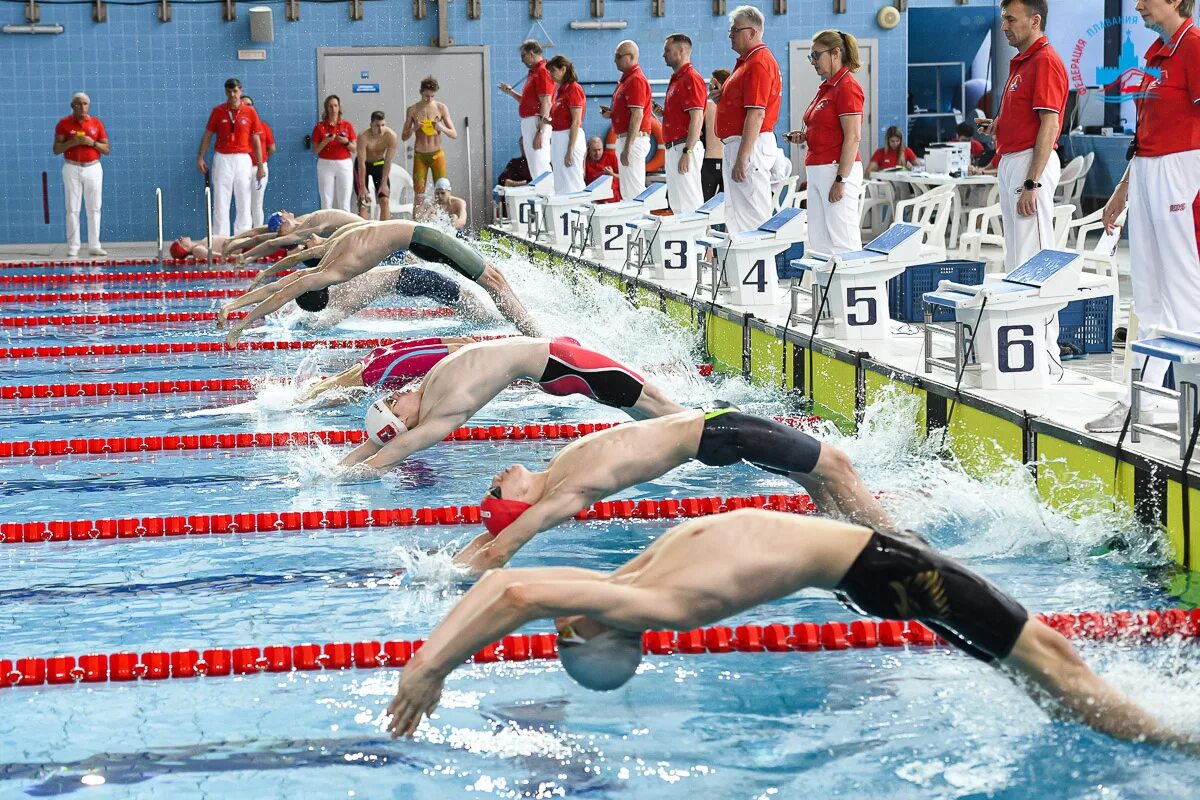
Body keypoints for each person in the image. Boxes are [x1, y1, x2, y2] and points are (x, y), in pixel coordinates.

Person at [386, 509, 1198, 752]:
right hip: (879, 571)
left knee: (1051, 674)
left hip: (883, 569)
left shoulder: (653, 597)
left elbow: (511, 587)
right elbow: (507, 587)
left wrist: (430, 670)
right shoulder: (645, 574)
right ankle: (1170, 736)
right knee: (1047, 670)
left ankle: (1173, 740)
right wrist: (431, 664)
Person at [454, 407, 892, 572]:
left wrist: (452, 559)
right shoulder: (569, 491)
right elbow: (502, 548)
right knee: (837, 465)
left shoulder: (555, 472)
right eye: (495, 492)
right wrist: (462, 575)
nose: (494, 480)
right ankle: (903, 544)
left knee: (818, 480)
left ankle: (855, 543)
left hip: (718, 432)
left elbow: (491, 539)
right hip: (723, 432)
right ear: (519, 505)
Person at [1087, 0, 1200, 433]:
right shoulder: (1156, 53)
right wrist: (1122, 188)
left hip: (1181, 171)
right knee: (1148, 297)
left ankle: (1193, 407)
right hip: (1149, 169)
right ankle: (1137, 401)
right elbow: (1145, 131)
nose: (1136, 5)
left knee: (1184, 294)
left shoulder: (1193, 47)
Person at [338, 337, 684, 473]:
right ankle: (712, 424)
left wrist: (340, 465)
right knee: (661, 406)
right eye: (394, 404)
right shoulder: (443, 410)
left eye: (390, 397)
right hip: (561, 363)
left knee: (643, 412)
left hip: (553, 366)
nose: (396, 394)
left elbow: (380, 442)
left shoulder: (428, 389)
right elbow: (396, 449)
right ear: (406, 422)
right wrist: (354, 474)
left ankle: (686, 439)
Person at [217, 220, 540, 344]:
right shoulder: (327, 252)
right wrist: (235, 312)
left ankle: (539, 336)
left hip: (425, 239)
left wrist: (239, 323)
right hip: (422, 238)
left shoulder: (331, 273)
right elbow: (283, 284)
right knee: (495, 280)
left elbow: (283, 291)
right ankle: (537, 333)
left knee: (495, 281)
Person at [978, 0, 1067, 273]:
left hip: (1030, 163)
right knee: (1016, 252)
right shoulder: (1023, 62)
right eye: (1004, 19)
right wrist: (999, 125)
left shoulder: (1045, 61)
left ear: (1035, 21)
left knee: (1033, 252)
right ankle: (1020, 316)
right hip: (1012, 159)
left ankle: (1042, 318)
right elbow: (1027, 116)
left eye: (1011, 19)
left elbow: (1049, 125)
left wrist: (1032, 182)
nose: (1004, 26)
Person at [785, 30, 865, 254]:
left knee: (843, 240)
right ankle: (829, 289)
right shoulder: (828, 88)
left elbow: (853, 137)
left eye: (816, 55)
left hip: (836, 169)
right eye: (810, 57)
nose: (813, 62)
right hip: (819, 169)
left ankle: (851, 287)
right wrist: (805, 135)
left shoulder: (848, 87)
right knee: (819, 240)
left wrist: (841, 179)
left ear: (835, 53)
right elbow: (829, 129)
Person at [715, 6, 783, 234]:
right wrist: (721, 98)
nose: (730, 35)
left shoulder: (759, 63)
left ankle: (758, 269)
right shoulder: (747, 63)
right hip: (741, 143)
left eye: (735, 30)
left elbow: (757, 113)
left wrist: (743, 156)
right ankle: (743, 268)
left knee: (752, 218)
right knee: (737, 216)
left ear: (752, 33)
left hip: (749, 145)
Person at [286, 264, 496, 331]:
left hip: (411, 278)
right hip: (410, 276)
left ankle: (492, 319)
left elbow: (326, 323)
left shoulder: (341, 299)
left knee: (463, 299)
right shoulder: (336, 280)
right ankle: (491, 318)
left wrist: (307, 324)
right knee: (462, 300)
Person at [299, 336, 478, 402]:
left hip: (387, 355)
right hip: (390, 366)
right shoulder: (473, 353)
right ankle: (298, 403)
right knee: (345, 392)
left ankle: (300, 399)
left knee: (343, 381)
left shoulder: (474, 346)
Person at [197, 78, 265, 237]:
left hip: (243, 159)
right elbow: (207, 135)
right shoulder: (218, 111)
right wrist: (200, 157)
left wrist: (260, 165)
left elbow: (256, 140)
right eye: (229, 91)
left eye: (235, 91)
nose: (232, 95)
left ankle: (242, 240)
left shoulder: (250, 112)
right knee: (221, 200)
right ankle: (221, 240)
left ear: (240, 90)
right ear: (225, 91)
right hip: (223, 158)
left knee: (244, 201)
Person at [53, 92, 109, 257]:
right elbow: (56, 149)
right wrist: (73, 142)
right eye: (79, 104)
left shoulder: (96, 124)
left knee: (94, 207)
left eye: (85, 104)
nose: (82, 107)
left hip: (93, 168)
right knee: (72, 208)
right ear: (72, 106)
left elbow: (106, 149)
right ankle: (73, 246)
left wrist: (92, 143)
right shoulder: (63, 124)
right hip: (72, 168)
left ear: (88, 106)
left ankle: (94, 245)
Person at [656, 34, 707, 215]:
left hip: (684, 147)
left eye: (667, 50)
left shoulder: (690, 78)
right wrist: (665, 113)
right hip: (674, 148)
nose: (664, 55)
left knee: (689, 202)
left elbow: (697, 117)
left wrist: (688, 151)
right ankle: (686, 241)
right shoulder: (677, 79)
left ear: (681, 51)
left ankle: (697, 243)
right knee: (677, 204)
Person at [603, 40, 653, 200]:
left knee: (633, 190)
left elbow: (637, 115)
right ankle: (633, 222)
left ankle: (637, 223)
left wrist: (628, 147)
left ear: (630, 57)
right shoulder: (626, 80)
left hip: (633, 140)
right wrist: (612, 114)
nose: (614, 60)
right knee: (627, 189)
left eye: (618, 56)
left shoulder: (635, 80)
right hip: (627, 139)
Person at [499, 41, 555, 181]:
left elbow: (546, 103)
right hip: (531, 120)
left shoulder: (543, 71)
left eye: (523, 56)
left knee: (540, 162)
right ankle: (542, 192)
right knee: (534, 165)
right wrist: (511, 92)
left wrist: (540, 131)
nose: (521, 60)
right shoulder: (534, 72)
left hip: (537, 121)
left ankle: (547, 194)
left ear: (532, 53)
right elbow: (527, 102)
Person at [402, 77, 458, 207]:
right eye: (427, 96)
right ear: (420, 92)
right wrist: (414, 128)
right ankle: (418, 223)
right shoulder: (412, 110)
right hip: (420, 156)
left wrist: (441, 128)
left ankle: (443, 223)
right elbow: (404, 137)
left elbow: (454, 134)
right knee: (419, 193)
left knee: (443, 192)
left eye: (432, 96)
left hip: (437, 155)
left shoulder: (441, 108)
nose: (429, 99)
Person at [547, 55, 586, 195]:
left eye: (553, 71)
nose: (550, 75)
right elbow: (561, 118)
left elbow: (576, 121)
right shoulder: (561, 91)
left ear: (563, 69)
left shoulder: (574, 89)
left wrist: (570, 150)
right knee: (561, 179)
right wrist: (548, 121)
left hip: (569, 138)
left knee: (571, 179)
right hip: (559, 138)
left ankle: (575, 212)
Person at [312, 94, 357, 212]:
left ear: (339, 108)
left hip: (344, 163)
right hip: (325, 163)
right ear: (326, 108)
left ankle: (345, 227)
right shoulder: (320, 127)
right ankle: (326, 227)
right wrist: (325, 141)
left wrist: (346, 142)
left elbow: (354, 148)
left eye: (335, 106)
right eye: (330, 106)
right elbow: (315, 150)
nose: (333, 109)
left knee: (345, 200)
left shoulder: (347, 126)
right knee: (326, 200)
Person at [357, 111, 399, 221]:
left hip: (379, 164)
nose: (380, 129)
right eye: (377, 126)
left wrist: (384, 184)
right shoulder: (363, 137)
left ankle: (385, 232)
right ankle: (363, 234)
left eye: (383, 125)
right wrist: (362, 186)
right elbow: (361, 163)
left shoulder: (391, 136)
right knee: (363, 201)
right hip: (363, 165)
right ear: (371, 125)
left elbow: (388, 161)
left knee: (384, 200)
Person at [241, 95, 276, 228]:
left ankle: (257, 231)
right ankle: (245, 234)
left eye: (249, 104)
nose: (247, 107)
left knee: (256, 203)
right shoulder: (239, 127)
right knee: (244, 203)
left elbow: (272, 148)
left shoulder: (263, 126)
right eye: (244, 105)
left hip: (259, 169)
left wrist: (261, 160)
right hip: (243, 169)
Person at [702, 69, 730, 202]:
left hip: (710, 161)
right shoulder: (735, 106)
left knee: (706, 203)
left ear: (715, 84)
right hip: (729, 160)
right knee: (726, 204)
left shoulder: (707, 106)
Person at [583, 137, 621, 202]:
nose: (597, 153)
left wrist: (612, 174)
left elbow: (622, 177)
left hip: (611, 195)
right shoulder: (585, 160)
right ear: (588, 150)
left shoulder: (611, 157)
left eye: (599, 150)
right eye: (594, 150)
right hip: (593, 195)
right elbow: (582, 178)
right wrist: (584, 156)